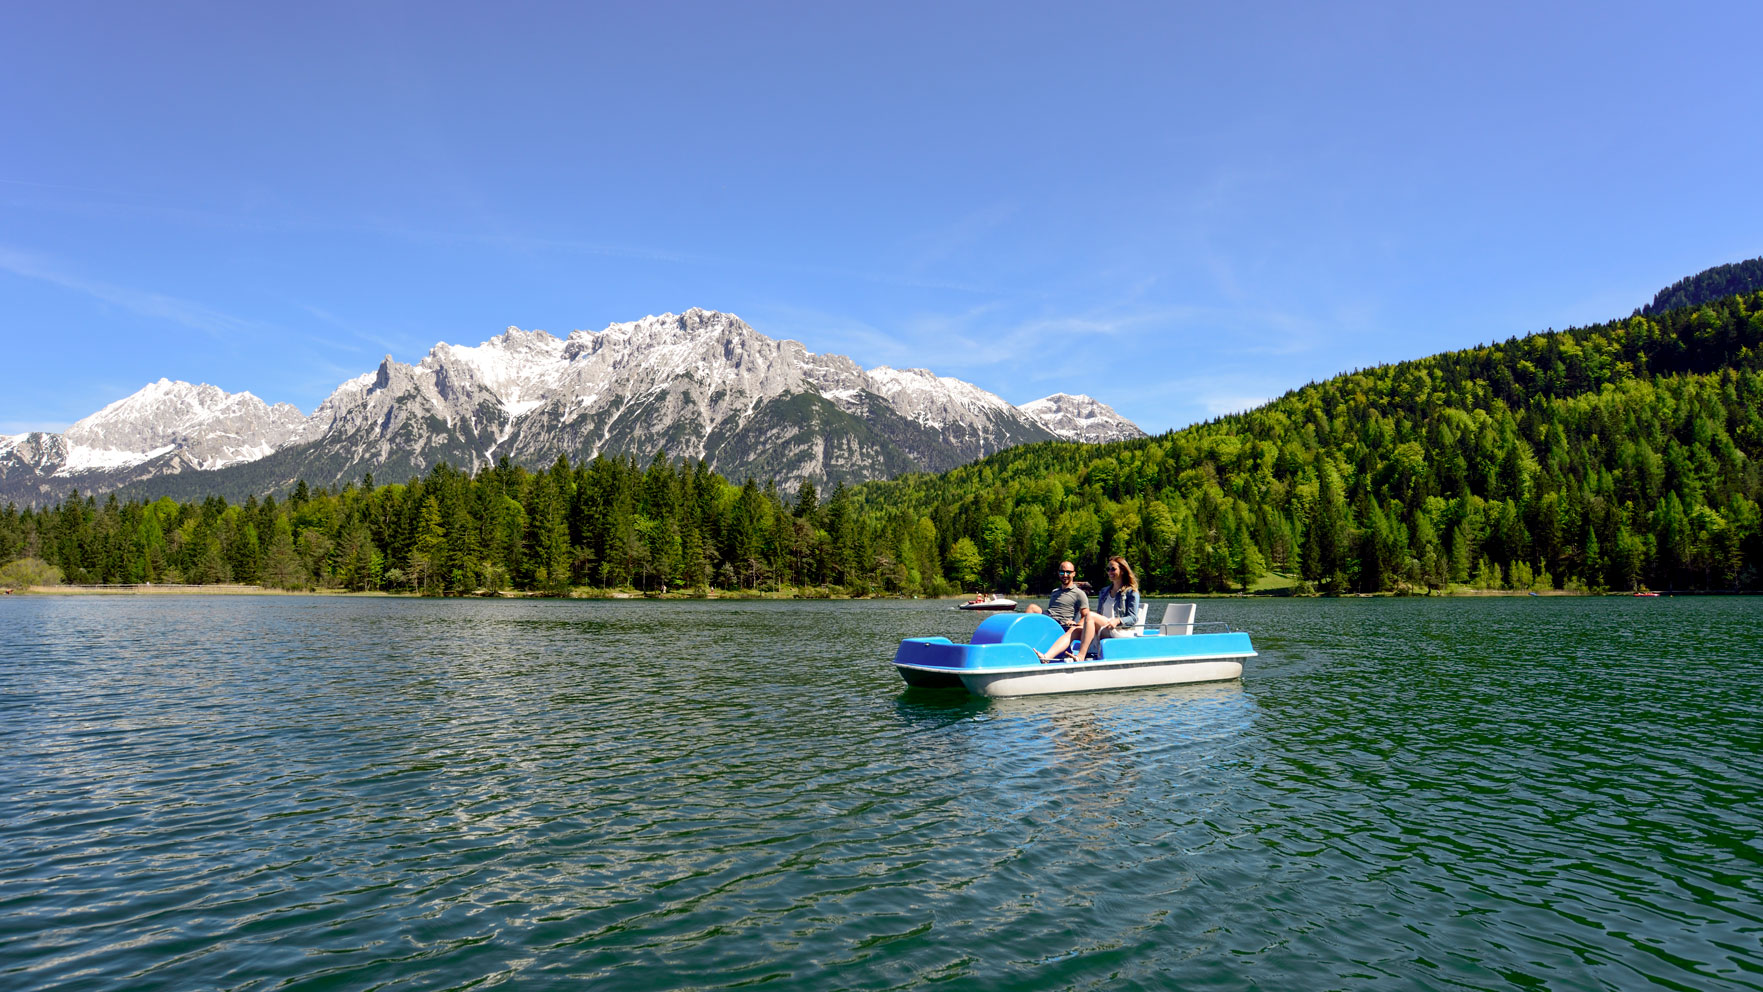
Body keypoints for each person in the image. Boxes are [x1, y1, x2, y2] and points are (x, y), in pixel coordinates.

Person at [1039, 556, 1140, 662]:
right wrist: (1079, 624)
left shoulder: (1131, 592)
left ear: (1123, 570)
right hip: (1103, 628)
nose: (1110, 571)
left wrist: (1119, 620)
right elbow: (1099, 615)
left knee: (1090, 615)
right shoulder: (1104, 592)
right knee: (1074, 630)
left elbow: (1133, 618)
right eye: (1108, 569)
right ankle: (1047, 657)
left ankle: (1081, 657)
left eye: (1113, 569)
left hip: (1118, 630)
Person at [1024, 560, 1089, 642]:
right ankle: (1024, 637)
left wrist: (1076, 624)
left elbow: (1086, 616)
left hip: (1062, 624)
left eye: (1068, 572)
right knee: (1032, 608)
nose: (1065, 575)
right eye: (1062, 572)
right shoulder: (1055, 591)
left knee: (1032, 608)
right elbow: (1051, 610)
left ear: (1074, 574)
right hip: (1049, 619)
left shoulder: (1079, 593)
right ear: (1058, 573)